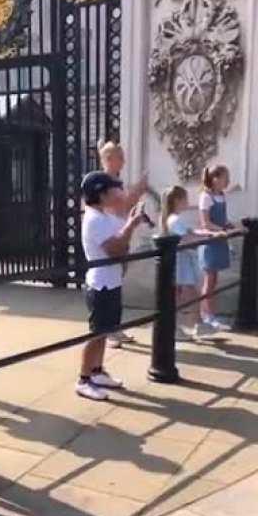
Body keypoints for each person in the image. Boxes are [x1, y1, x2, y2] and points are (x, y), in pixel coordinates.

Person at [76, 171, 144, 401]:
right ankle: (83, 380)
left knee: (106, 330)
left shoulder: (104, 215)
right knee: (97, 333)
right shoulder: (94, 219)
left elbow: (121, 240)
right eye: (113, 189)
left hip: (111, 281)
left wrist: (129, 223)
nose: (118, 192)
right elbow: (115, 248)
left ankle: (97, 371)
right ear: (101, 194)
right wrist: (132, 225)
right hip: (101, 284)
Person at [97, 139, 152, 348]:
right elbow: (121, 203)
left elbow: (123, 208)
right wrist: (139, 188)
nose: (124, 161)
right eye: (121, 157)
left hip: (120, 236)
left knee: (117, 284)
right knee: (108, 286)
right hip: (110, 240)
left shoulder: (114, 182)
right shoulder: (103, 183)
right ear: (109, 159)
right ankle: (108, 330)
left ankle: (114, 327)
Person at [160, 184, 225, 342]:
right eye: (185, 199)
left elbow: (192, 232)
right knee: (188, 295)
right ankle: (191, 326)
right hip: (180, 261)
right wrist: (206, 239)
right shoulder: (174, 220)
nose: (188, 202)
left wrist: (210, 234)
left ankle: (193, 325)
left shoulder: (175, 218)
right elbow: (185, 238)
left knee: (182, 295)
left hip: (183, 261)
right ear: (177, 200)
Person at [198, 164, 236, 331]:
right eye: (225, 178)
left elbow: (223, 219)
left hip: (220, 240)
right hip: (210, 242)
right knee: (209, 279)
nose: (228, 181)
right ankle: (207, 315)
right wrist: (221, 230)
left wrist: (230, 226)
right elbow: (205, 223)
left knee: (214, 280)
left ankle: (210, 313)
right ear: (215, 179)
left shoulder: (221, 195)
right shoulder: (206, 197)